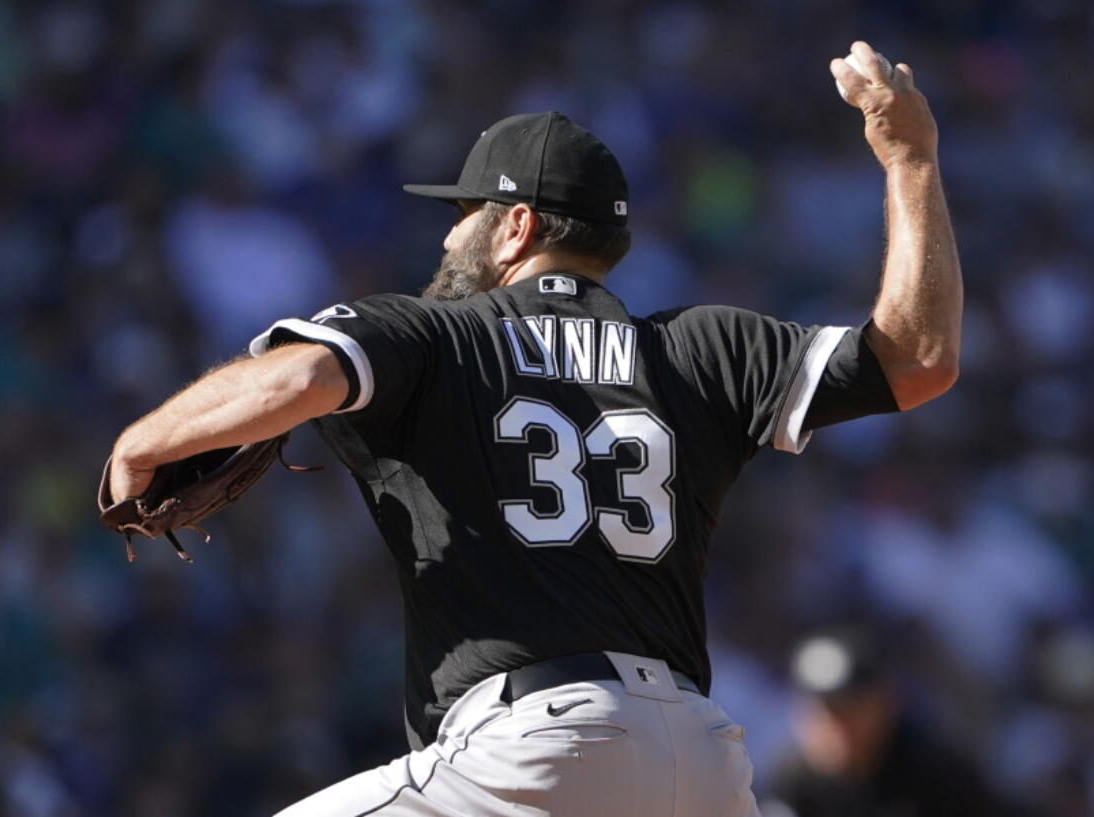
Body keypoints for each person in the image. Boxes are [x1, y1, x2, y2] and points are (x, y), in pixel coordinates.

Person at [106, 41, 961, 817]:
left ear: (514, 225)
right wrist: (912, 159)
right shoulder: (701, 346)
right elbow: (918, 360)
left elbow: (300, 375)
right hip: (701, 763)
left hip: (532, 750)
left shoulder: (435, 333)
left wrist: (140, 443)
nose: (448, 230)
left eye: (464, 210)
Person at [766, 632, 1020, 817]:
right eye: (826, 712)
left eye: (849, 709)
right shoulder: (793, 785)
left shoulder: (935, 772)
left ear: (885, 704)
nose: (836, 726)